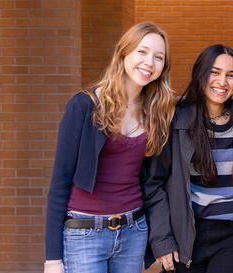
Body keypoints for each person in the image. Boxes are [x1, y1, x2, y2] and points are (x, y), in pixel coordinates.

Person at [44, 22, 175, 273]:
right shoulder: (84, 106)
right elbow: (60, 181)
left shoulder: (156, 112)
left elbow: (153, 180)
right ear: (124, 53)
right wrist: (52, 259)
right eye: (142, 51)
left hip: (133, 231)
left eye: (159, 57)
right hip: (85, 235)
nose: (149, 62)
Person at [141, 44, 233, 273]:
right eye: (214, 72)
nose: (222, 81)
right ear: (200, 75)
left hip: (232, 236)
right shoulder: (175, 121)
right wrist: (162, 239)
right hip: (186, 234)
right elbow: (153, 183)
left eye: (231, 75)